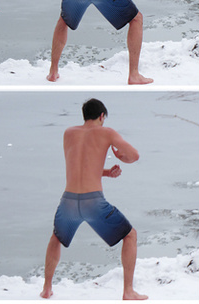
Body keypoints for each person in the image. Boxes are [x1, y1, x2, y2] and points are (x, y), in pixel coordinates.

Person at [40, 98, 145, 300]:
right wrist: (121, 157)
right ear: (101, 116)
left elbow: (78, 167)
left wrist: (105, 173)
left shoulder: (69, 133)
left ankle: (46, 288)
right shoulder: (106, 132)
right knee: (130, 235)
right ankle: (128, 291)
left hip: (68, 200)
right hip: (93, 202)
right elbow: (134, 155)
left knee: (56, 238)